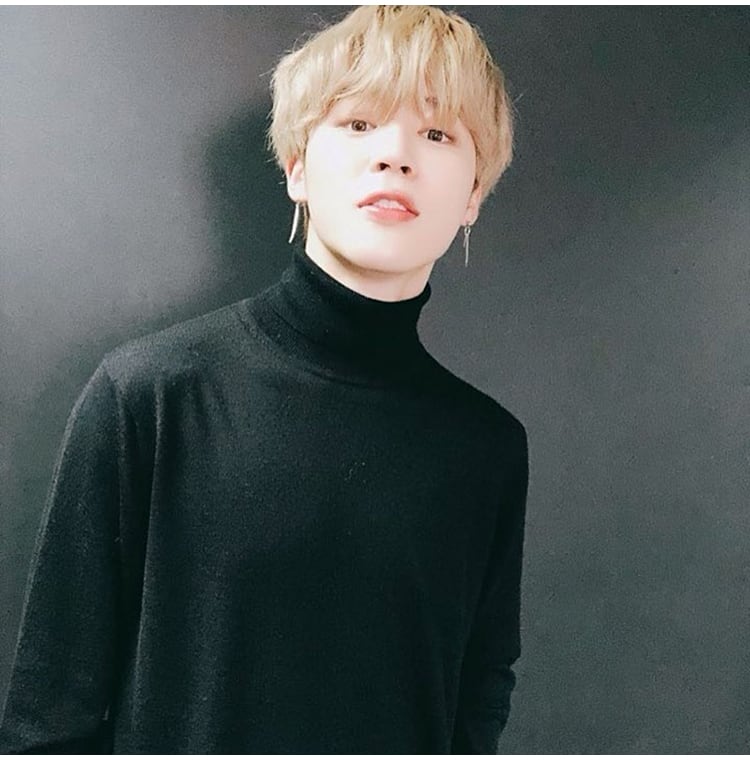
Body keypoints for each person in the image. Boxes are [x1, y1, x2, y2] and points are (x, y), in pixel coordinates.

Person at [0, 5, 528, 754]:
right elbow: (50, 718)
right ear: (297, 168)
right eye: (359, 123)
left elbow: (478, 692)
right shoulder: (151, 398)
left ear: (474, 191)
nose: (396, 155)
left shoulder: (485, 448)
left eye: (438, 133)